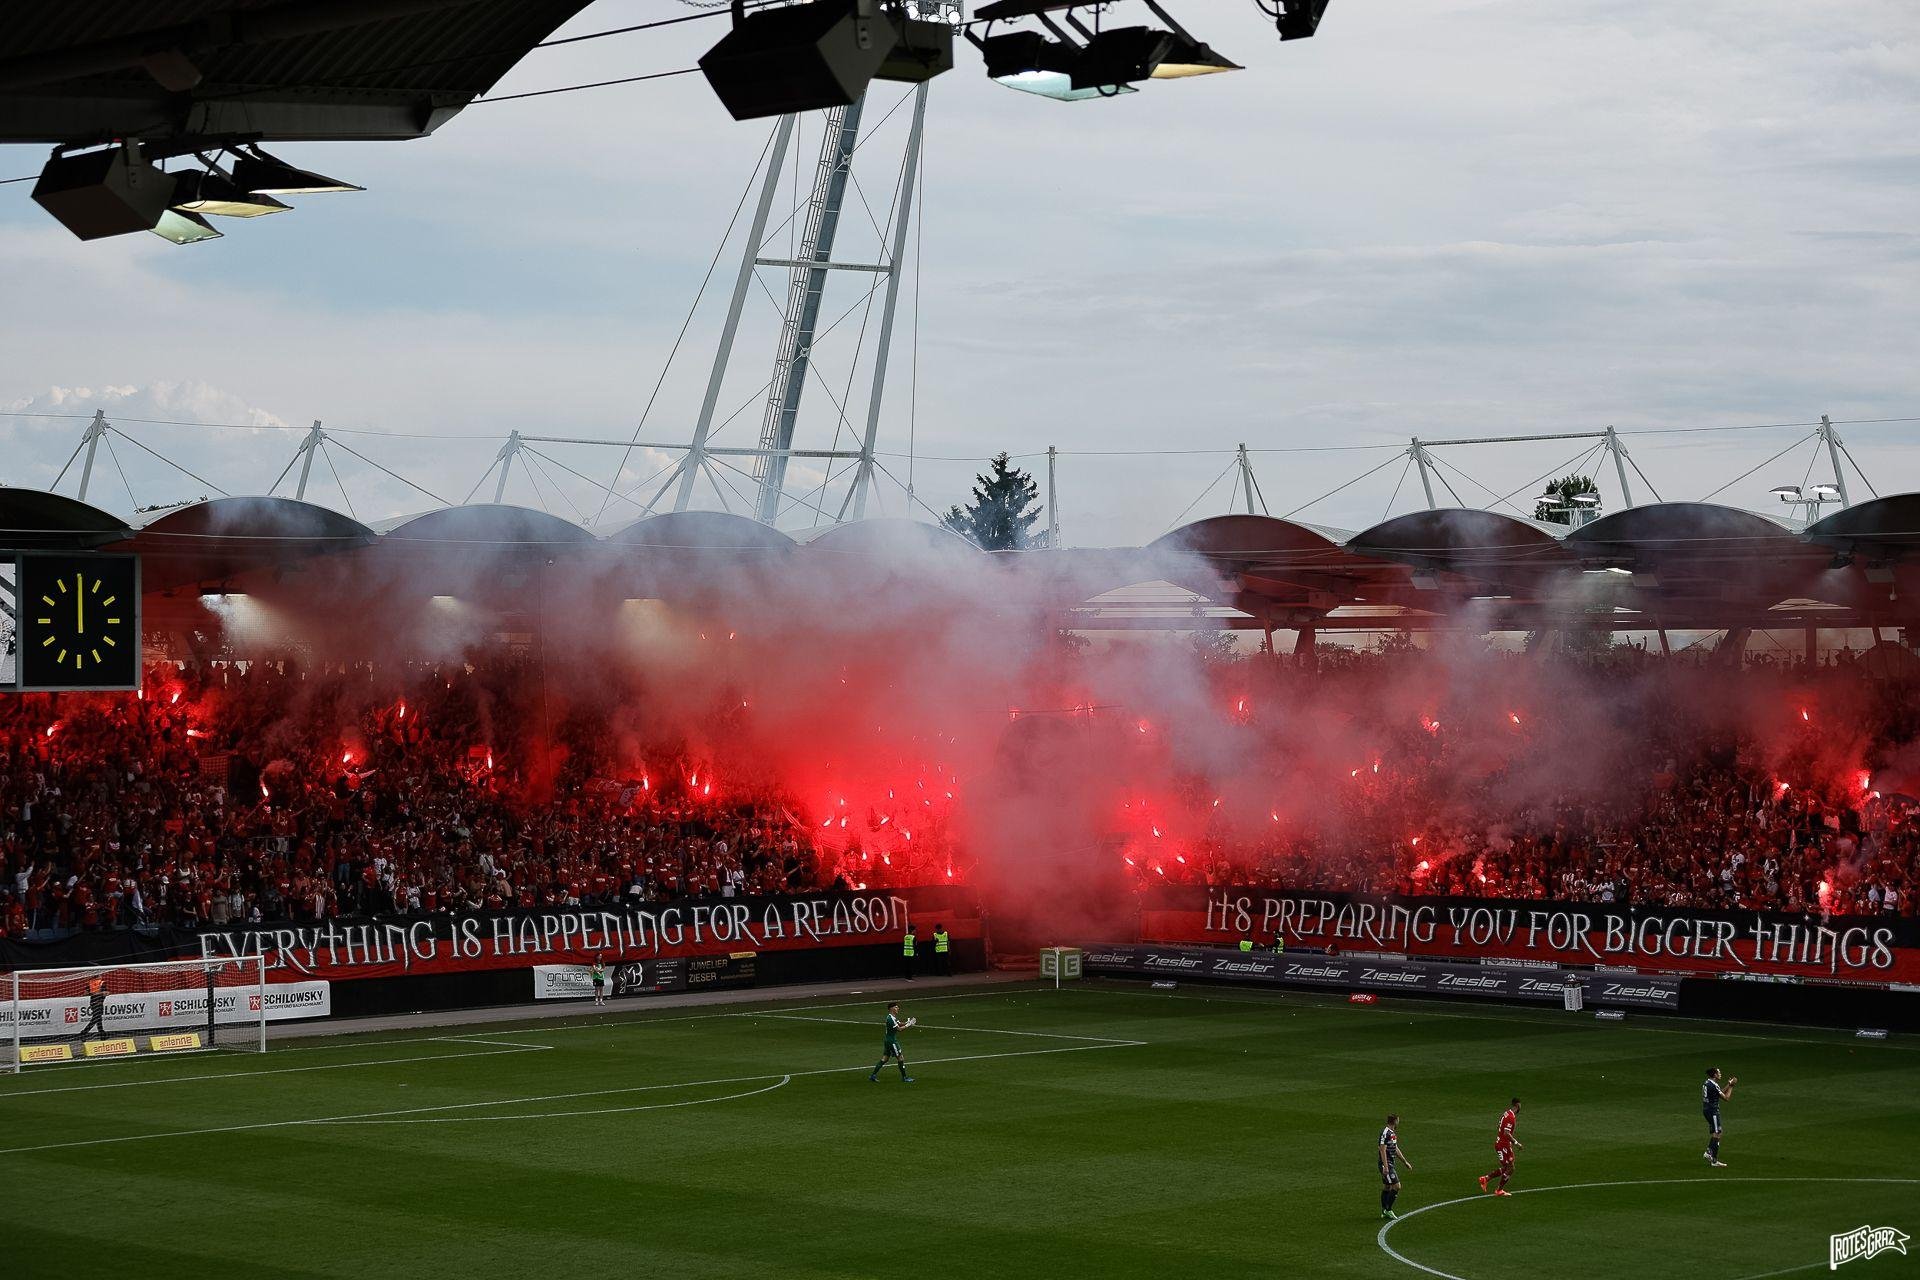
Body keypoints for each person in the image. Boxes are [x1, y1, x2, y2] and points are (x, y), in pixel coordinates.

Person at [1479, 1098, 1522, 1195]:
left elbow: (1499, 1127)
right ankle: (1499, 1190)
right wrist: (1516, 1143)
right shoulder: (1510, 1117)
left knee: (1507, 1167)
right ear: (1518, 1105)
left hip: (1500, 1143)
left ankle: (1485, 1179)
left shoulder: (1506, 1113)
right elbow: (1506, 1133)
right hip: (1504, 1145)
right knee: (1511, 1168)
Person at [868, 1001, 914, 1083]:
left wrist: (908, 1022)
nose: (898, 1008)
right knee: (900, 1058)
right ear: (891, 1008)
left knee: (885, 1059)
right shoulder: (890, 1019)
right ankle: (904, 1078)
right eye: (896, 1007)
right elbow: (899, 1029)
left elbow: (899, 1023)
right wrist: (908, 1025)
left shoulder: (892, 1017)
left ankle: (873, 1076)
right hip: (892, 1041)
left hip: (888, 1040)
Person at [1379, 1113, 1412, 1219]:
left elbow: (1395, 1148)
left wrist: (1405, 1162)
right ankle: (1388, 1210)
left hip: (1390, 1163)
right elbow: (1382, 1149)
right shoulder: (1385, 1133)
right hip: (1386, 1164)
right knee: (1397, 1186)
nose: (1399, 1122)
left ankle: (1384, 1210)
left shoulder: (1392, 1133)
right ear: (1394, 1121)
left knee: (1387, 1186)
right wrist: (1386, 1166)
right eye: (1398, 1120)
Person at [1703, 1067, 1737, 1167]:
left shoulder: (1708, 1083)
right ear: (1715, 1075)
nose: (1720, 1074)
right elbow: (1726, 1098)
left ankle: (1713, 1159)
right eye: (1719, 1073)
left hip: (1707, 1110)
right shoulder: (1713, 1085)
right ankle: (1709, 1153)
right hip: (1712, 1111)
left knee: (1717, 1132)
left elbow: (1719, 1092)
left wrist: (1728, 1084)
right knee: (1718, 1133)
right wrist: (1731, 1086)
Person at [79, 972, 107, 1039]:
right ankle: (84, 1033)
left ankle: (102, 1035)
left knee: (98, 1019)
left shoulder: (90, 983)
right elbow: (105, 993)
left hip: (92, 1002)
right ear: (98, 976)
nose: (101, 976)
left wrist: (92, 993)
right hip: (99, 1002)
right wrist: (100, 993)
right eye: (100, 975)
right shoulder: (101, 983)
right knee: (96, 1019)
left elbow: (85, 993)